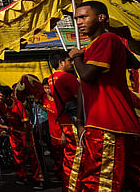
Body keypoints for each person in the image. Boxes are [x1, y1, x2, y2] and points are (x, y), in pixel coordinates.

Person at [69, 0, 140, 191]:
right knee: (138, 180)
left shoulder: (107, 40)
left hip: (109, 124)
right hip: (106, 123)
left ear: (101, 17)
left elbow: (87, 76)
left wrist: (75, 57)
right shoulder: (91, 47)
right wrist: (80, 122)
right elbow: (83, 88)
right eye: (76, 18)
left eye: (83, 17)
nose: (79, 22)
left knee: (100, 183)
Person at [0, 85, 44, 190]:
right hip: (13, 132)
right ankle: (22, 176)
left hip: (24, 132)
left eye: (1, 96)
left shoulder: (18, 105)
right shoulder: (0, 104)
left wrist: (27, 140)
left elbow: (26, 123)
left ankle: (38, 179)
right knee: (17, 155)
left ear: (8, 96)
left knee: (32, 155)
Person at [48, 50, 82, 191]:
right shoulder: (67, 77)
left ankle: (68, 185)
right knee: (77, 157)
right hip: (74, 122)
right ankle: (73, 187)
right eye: (69, 61)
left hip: (64, 122)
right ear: (61, 63)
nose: (71, 63)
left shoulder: (51, 78)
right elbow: (80, 98)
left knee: (69, 157)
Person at [41, 78, 64, 184]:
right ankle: (58, 174)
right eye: (45, 88)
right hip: (51, 132)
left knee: (63, 155)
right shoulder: (44, 98)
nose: (47, 90)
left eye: (48, 88)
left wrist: (64, 132)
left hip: (61, 132)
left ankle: (64, 175)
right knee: (55, 154)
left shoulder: (58, 99)